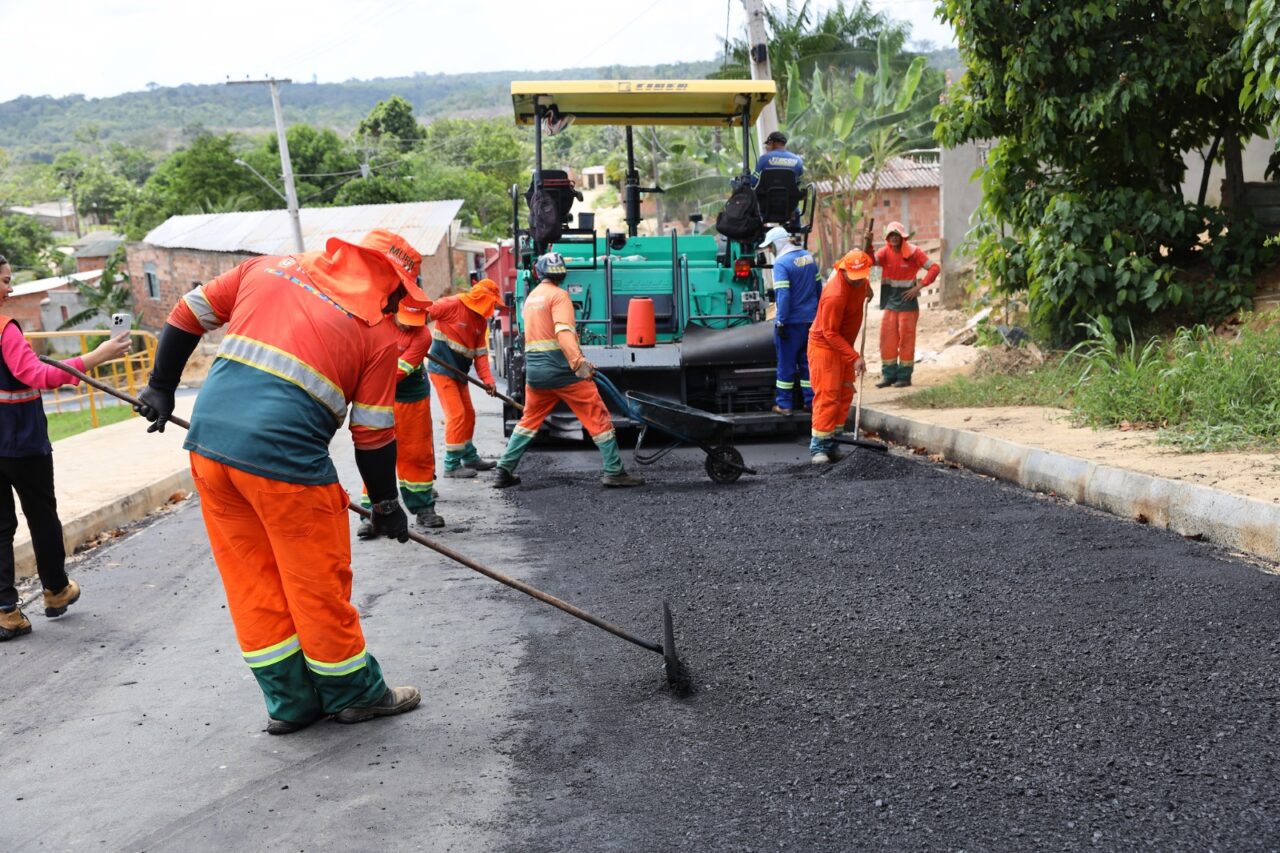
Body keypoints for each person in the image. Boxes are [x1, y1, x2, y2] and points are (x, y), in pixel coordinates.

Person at [133, 229, 425, 735]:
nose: (400, 302)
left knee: (253, 581)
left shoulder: (263, 269)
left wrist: (161, 388)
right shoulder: (377, 335)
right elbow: (373, 436)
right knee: (315, 582)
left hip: (211, 451)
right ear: (388, 284)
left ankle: (290, 702)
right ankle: (353, 693)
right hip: (286, 467)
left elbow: (186, 314)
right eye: (401, 292)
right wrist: (385, 504)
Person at [0, 253, 131, 641]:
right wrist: (97, 356)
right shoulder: (5, 328)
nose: (9, 287)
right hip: (21, 442)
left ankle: (6, 611)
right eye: (5, 279)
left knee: (0, 526)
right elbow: (35, 375)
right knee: (41, 515)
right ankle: (55, 591)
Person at [493, 253, 644, 489]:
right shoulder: (559, 295)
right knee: (597, 414)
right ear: (561, 274)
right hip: (561, 370)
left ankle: (503, 470)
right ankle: (614, 471)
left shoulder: (532, 297)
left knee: (529, 420)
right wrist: (578, 363)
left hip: (535, 371)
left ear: (538, 273)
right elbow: (563, 333)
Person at [356, 294, 443, 532]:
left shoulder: (423, 336)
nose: (407, 325)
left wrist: (366, 379)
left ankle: (423, 507)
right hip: (376, 397)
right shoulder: (377, 322)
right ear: (395, 310)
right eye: (405, 319)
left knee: (415, 453)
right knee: (375, 453)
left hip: (409, 397)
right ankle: (370, 514)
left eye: (414, 321)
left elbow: (398, 372)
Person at [425, 278, 501, 478]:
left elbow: (480, 354)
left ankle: (469, 456)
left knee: (468, 414)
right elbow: (422, 316)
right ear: (482, 299)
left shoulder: (480, 322)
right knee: (457, 415)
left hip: (459, 372)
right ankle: (451, 465)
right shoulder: (452, 305)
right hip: (441, 369)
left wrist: (488, 380)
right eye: (492, 303)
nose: (492, 308)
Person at [807, 249, 873, 465]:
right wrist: (854, 357)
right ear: (843, 270)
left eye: (861, 277)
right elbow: (830, 333)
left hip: (844, 346)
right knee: (828, 395)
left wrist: (868, 291)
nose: (858, 281)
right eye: (854, 277)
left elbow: (863, 287)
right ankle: (818, 446)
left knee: (844, 393)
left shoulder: (860, 280)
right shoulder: (834, 295)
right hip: (825, 348)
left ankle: (832, 443)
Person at [759, 226, 820, 416]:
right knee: (807, 363)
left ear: (777, 244)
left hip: (791, 323)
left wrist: (781, 322)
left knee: (786, 364)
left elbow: (783, 295)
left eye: (770, 247)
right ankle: (811, 402)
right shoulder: (808, 257)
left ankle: (784, 404)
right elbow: (819, 288)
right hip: (811, 321)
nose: (770, 251)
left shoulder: (782, 264)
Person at [874, 221, 940, 388]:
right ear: (888, 238)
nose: (894, 238)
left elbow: (934, 268)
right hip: (890, 303)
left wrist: (919, 287)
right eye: (891, 235)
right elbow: (869, 261)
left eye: (897, 235)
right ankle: (888, 376)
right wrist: (868, 243)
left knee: (906, 340)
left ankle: (904, 377)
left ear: (902, 237)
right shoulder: (884, 252)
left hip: (908, 305)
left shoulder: (914, 252)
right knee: (887, 340)